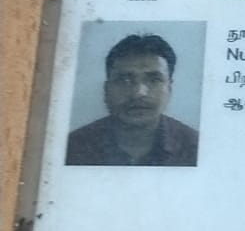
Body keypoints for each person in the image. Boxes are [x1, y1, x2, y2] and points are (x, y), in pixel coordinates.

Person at [65, 33, 199, 166]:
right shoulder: (72, 148)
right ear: (106, 90)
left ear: (169, 89)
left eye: (154, 80)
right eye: (124, 80)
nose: (138, 93)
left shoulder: (195, 148)